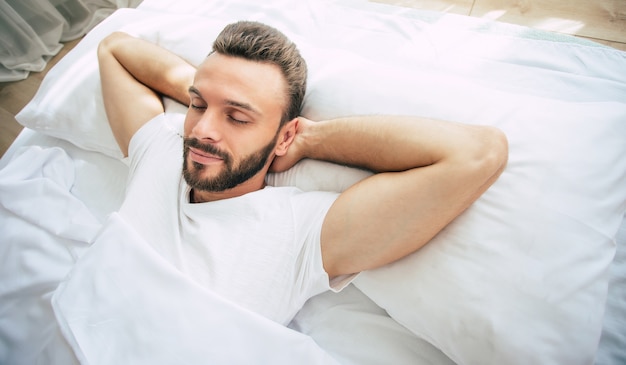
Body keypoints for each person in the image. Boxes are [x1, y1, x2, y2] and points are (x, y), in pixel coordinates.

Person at [97, 21, 508, 324]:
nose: (202, 132)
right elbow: (114, 47)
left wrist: (313, 140)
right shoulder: (161, 150)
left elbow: (478, 153)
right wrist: (216, 91)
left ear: (283, 136)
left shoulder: (302, 230)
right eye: (197, 106)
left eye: (237, 118)